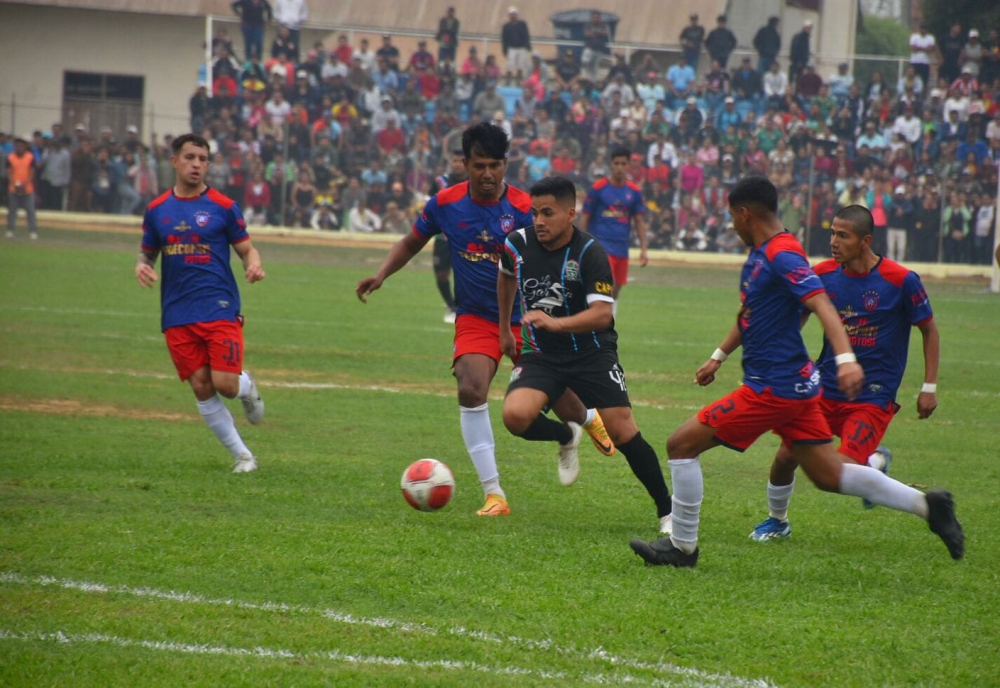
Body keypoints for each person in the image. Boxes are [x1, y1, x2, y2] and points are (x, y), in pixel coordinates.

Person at [628, 176, 963, 568]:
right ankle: (928, 506)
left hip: (773, 387)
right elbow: (752, 315)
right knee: (827, 474)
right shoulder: (765, 252)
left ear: (744, 213)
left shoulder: (782, 255)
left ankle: (682, 547)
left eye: (731, 216)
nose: (730, 224)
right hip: (800, 388)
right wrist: (719, 355)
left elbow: (821, 304)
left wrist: (846, 359)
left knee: (681, 445)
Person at [356, 123, 617, 517]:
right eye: (479, 165)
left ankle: (581, 421)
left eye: (496, 165)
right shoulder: (445, 204)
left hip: (528, 317)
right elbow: (412, 241)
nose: (488, 174)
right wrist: (381, 274)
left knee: (562, 402)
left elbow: (562, 252)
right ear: (465, 163)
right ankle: (494, 494)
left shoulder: (525, 208)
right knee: (471, 387)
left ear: (505, 164)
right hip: (477, 316)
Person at [748, 205, 942, 541]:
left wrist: (929, 387)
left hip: (873, 395)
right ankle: (777, 521)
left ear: (865, 241)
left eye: (843, 235)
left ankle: (871, 467)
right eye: (832, 233)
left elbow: (929, 330)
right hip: (823, 389)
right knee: (784, 456)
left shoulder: (901, 280)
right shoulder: (822, 274)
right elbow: (799, 315)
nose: (834, 241)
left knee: (838, 471)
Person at [498, 176, 673, 532]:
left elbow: (602, 314)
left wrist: (555, 323)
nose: (539, 221)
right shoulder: (516, 243)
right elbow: (505, 277)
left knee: (623, 431)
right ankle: (566, 436)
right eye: (534, 213)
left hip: (593, 353)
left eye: (548, 213)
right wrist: (505, 327)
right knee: (515, 417)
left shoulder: (590, 252)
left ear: (570, 214)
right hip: (541, 355)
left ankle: (669, 513)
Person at [135, 133, 266, 473]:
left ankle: (246, 385)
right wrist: (142, 264)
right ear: (175, 161)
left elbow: (247, 247)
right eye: (190, 157)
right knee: (201, 386)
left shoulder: (223, 207)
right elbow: (148, 248)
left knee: (224, 383)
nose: (197, 164)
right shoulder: (157, 210)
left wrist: (253, 263)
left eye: (203, 159)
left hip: (218, 305)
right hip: (177, 312)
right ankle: (243, 456)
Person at [577, 148, 647, 314]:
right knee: (606, 286)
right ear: (611, 164)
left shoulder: (634, 192)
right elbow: (586, 216)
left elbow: (638, 221)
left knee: (616, 289)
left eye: (623, 164)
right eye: (617, 163)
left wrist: (644, 249)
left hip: (622, 247)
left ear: (629, 165)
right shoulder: (598, 188)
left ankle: (606, 321)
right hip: (601, 246)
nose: (620, 167)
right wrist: (581, 243)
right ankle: (599, 324)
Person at [430, 149, 467, 323]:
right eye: (455, 161)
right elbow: (431, 206)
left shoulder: (473, 182)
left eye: (461, 161)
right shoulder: (439, 182)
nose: (457, 164)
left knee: (466, 274)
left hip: (466, 237)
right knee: (441, 275)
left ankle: (462, 307)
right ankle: (451, 305)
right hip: (442, 237)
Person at [6, 135, 39, 240]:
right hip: (13, 188)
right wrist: (15, 183)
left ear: (25, 146)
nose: (19, 147)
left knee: (30, 210)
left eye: (21, 145)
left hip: (27, 188)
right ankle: (10, 230)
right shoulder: (10, 157)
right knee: (12, 210)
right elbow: (8, 173)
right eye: (17, 145)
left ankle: (32, 231)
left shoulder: (30, 157)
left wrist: (25, 184)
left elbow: (32, 173)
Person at [501, 7, 532, 78]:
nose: (513, 16)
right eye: (511, 14)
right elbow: (504, 39)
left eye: (514, 14)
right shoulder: (506, 26)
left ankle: (519, 81)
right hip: (512, 48)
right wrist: (504, 50)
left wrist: (527, 46)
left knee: (520, 66)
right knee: (509, 66)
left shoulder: (522, 24)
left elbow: (526, 35)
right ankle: (508, 80)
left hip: (521, 48)